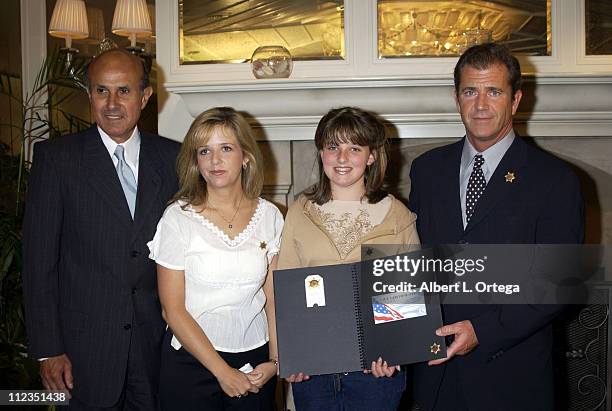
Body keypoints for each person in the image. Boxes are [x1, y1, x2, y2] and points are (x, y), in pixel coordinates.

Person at [408, 43, 584, 411]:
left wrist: (482, 332)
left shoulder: (555, 180)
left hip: (511, 379)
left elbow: (557, 285)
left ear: (516, 100)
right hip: (436, 376)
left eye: (494, 91)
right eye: (471, 91)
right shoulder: (426, 170)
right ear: (457, 98)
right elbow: (414, 261)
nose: (481, 105)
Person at [22, 49, 180, 409]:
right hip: (82, 355)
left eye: (123, 91)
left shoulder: (174, 159)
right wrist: (49, 349)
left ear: (145, 96)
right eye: (100, 91)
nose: (112, 103)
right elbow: (38, 262)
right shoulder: (57, 160)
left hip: (159, 348)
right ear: (89, 95)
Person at [277, 107, 420, 411]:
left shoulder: (398, 215)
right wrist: (291, 355)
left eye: (354, 148)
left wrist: (394, 351)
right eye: (333, 147)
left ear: (371, 156)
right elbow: (285, 291)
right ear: (321, 153)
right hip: (314, 372)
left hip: (376, 373)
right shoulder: (299, 212)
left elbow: (408, 295)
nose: (342, 158)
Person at [147, 107, 283, 410]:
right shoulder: (177, 217)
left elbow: (273, 299)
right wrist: (222, 372)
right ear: (196, 161)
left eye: (226, 148)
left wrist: (275, 361)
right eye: (204, 151)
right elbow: (172, 310)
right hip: (190, 363)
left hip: (255, 361)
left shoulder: (271, 216)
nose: (215, 160)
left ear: (245, 155)